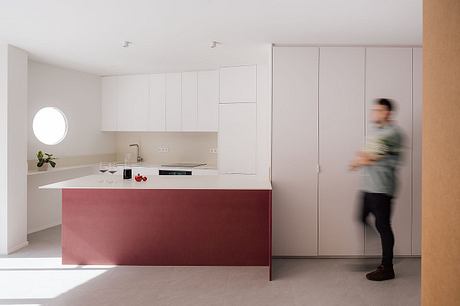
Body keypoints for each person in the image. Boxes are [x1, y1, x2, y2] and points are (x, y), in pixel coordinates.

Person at [349, 98, 404, 281]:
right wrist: (362, 158)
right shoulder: (376, 132)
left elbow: (371, 156)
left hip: (381, 187)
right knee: (361, 217)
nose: (374, 113)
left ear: (387, 112)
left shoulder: (393, 133)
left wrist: (363, 159)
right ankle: (379, 251)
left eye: (378, 110)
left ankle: (387, 267)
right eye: (374, 110)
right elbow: (365, 154)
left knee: (383, 226)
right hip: (368, 186)